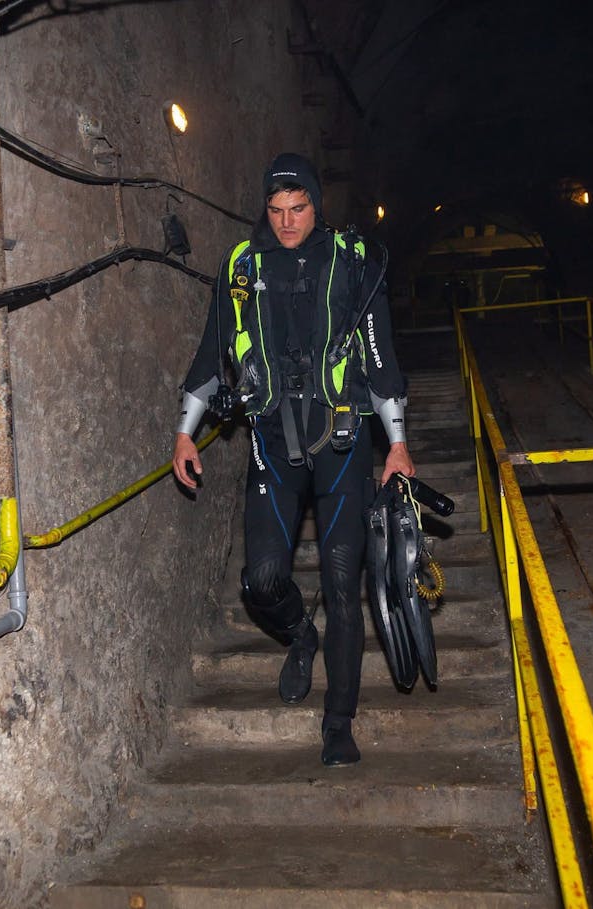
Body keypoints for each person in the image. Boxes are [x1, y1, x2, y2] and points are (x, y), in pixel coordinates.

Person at [171, 152, 413, 766]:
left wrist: (399, 445)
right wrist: (184, 433)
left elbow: (380, 360)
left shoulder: (353, 262)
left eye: (298, 209)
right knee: (262, 580)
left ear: (316, 204)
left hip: (341, 442)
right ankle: (300, 637)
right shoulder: (241, 266)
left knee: (340, 581)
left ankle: (339, 724)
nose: (286, 222)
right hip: (272, 445)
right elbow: (210, 356)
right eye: (276, 211)